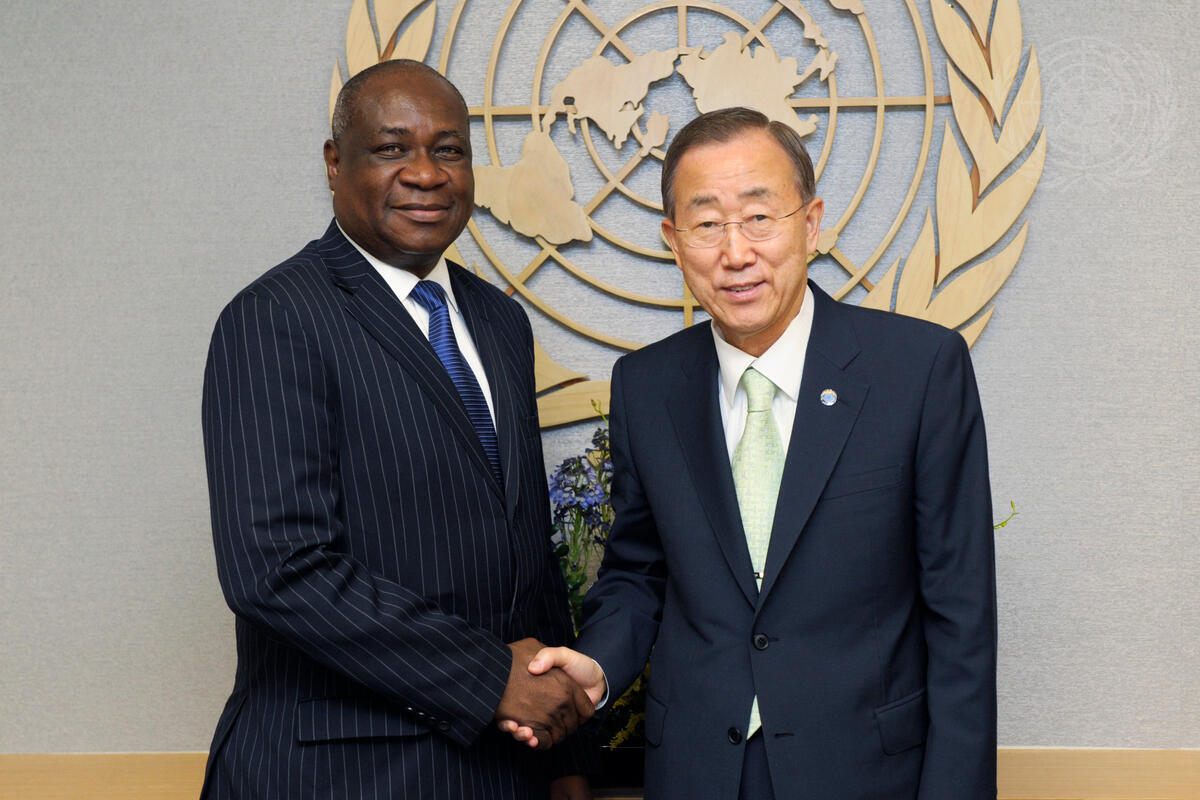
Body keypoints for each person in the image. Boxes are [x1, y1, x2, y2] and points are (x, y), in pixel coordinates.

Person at [505, 107, 997, 799]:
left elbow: (961, 616)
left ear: (811, 223)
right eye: (707, 224)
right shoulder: (647, 385)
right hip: (698, 768)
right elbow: (638, 572)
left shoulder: (917, 370)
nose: (735, 253)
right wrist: (600, 665)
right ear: (675, 242)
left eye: (760, 217)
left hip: (866, 769)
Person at [200, 59, 593, 799]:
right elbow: (277, 568)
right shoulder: (274, 319)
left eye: (449, 150)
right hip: (339, 773)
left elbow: (525, 549)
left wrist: (563, 757)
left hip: (500, 770)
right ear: (334, 162)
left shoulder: (499, 322)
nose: (426, 174)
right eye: (391, 148)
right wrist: (490, 677)